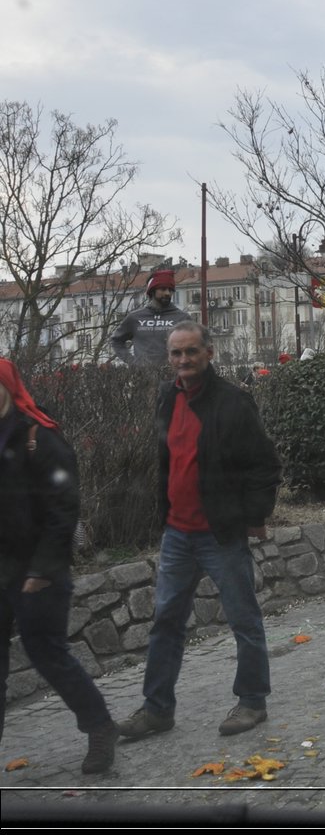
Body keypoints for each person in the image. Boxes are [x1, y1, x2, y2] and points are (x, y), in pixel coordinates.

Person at [117, 321, 281, 743]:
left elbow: (263, 465)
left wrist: (255, 515)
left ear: (209, 353)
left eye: (191, 352)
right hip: (177, 532)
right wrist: (164, 511)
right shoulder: (167, 398)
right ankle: (157, 710)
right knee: (165, 622)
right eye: (176, 353)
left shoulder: (233, 403)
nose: (183, 360)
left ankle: (252, 701)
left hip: (220, 532)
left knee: (243, 619)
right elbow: (167, 460)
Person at [0, 360, 117, 774]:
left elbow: (64, 508)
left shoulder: (38, 435)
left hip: (37, 570)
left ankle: (100, 727)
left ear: (8, 388)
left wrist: (43, 569)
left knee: (47, 653)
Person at [110, 269, 193, 367]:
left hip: (173, 378)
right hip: (144, 379)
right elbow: (116, 341)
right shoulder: (135, 318)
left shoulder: (182, 318)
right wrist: (132, 361)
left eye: (170, 290)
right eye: (163, 289)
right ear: (152, 291)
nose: (167, 293)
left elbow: (195, 346)